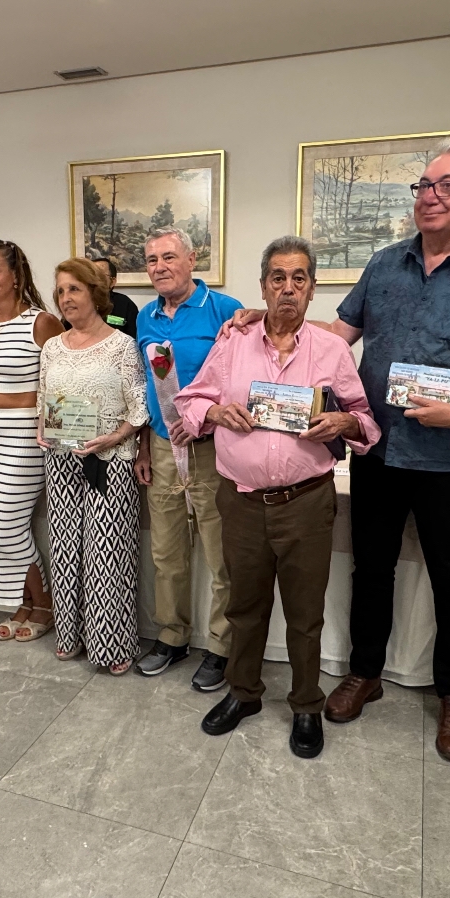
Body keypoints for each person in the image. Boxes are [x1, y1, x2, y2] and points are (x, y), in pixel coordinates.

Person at [232, 140, 450, 763]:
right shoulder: (384, 263)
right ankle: (365, 674)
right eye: (423, 186)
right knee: (370, 568)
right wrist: (265, 317)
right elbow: (338, 336)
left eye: (448, 186)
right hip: (378, 450)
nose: (431, 196)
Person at [180, 237, 379, 759]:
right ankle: (243, 693)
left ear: (312, 289)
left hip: (306, 502)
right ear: (263, 286)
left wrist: (345, 420)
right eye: (277, 278)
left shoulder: (333, 349)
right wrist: (215, 413)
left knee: (305, 613)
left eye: (298, 278)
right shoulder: (233, 342)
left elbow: (367, 420)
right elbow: (190, 400)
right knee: (244, 607)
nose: (287, 288)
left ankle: (306, 705)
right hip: (242, 502)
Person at [132, 227, 243, 691]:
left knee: (221, 556)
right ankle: (172, 637)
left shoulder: (225, 310)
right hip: (161, 447)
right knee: (167, 553)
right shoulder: (145, 317)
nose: (159, 266)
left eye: (169, 257)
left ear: (192, 259)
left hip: (211, 449)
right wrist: (143, 444)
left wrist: (210, 421)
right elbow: (143, 385)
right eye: (152, 259)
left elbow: (240, 382)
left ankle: (220, 647)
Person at [37, 258, 150, 671]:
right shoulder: (52, 347)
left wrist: (115, 437)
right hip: (61, 460)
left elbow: (140, 408)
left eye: (75, 289)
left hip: (109, 461)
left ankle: (112, 645)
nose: (66, 298)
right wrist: (40, 429)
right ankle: (70, 632)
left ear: (95, 294)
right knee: (65, 550)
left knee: (106, 555)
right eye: (61, 291)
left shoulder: (121, 345)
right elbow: (43, 397)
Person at [0, 240, 63, 640]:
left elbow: (59, 385)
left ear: (16, 276)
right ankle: (27, 602)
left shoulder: (41, 322)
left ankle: (46, 603)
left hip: (22, 435)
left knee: (6, 526)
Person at [96, 258, 139, 338]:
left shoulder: (125, 304)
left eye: (100, 275)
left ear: (112, 282)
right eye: (91, 275)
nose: (94, 279)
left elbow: (134, 340)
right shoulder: (79, 304)